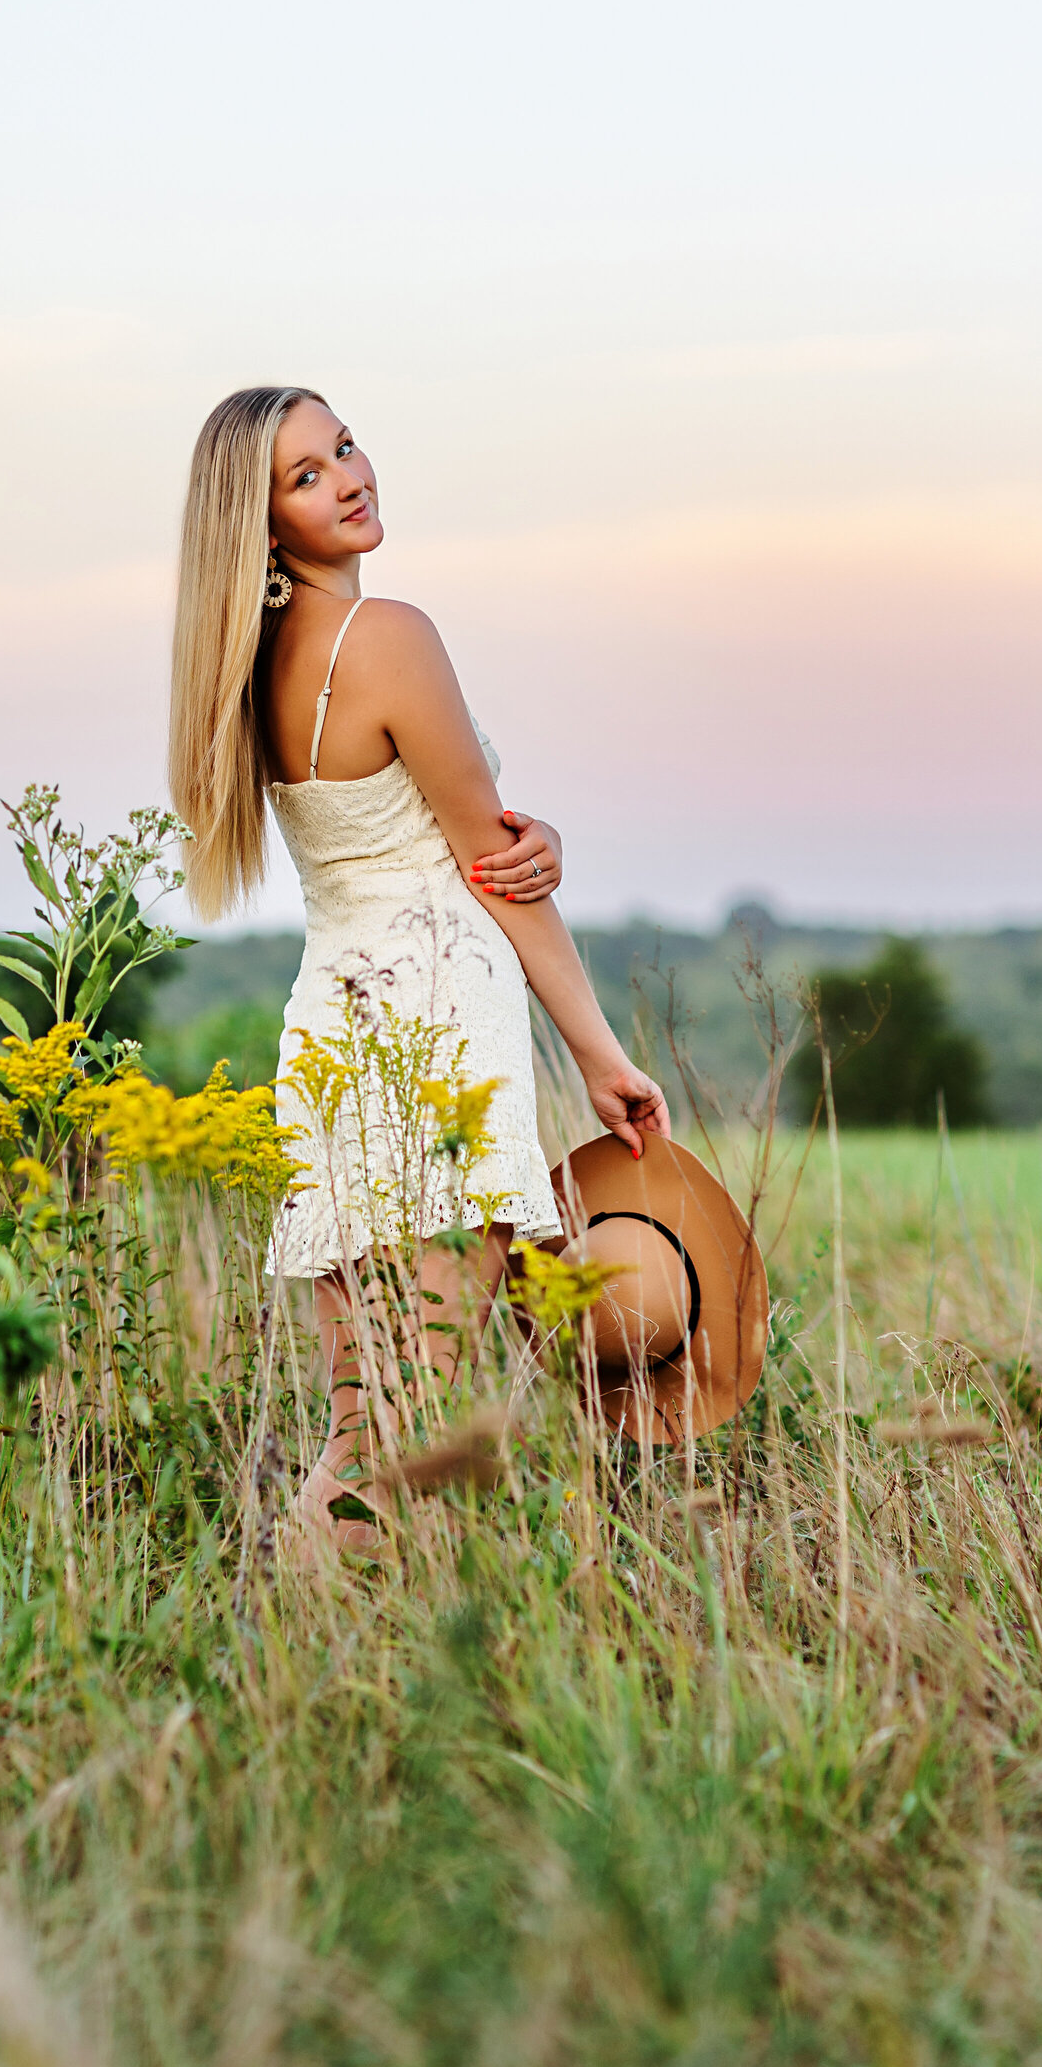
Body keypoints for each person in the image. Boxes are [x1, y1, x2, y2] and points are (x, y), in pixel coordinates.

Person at [167, 386, 669, 1553]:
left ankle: (311, 1671)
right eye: (304, 475)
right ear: (265, 525)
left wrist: (524, 841)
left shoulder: (258, 667)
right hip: (432, 1040)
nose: (347, 475)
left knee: (371, 1420)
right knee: (397, 1429)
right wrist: (600, 1053)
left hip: (337, 1043)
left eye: (342, 446)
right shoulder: (386, 636)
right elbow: (488, 870)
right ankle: (293, 1676)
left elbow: (438, 841)